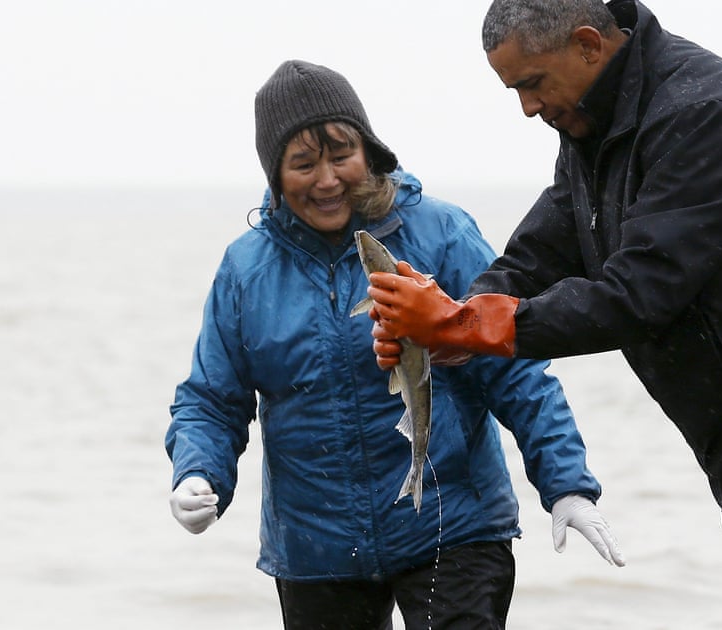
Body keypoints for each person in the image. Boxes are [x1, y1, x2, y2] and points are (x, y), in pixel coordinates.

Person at [366, 0, 722, 529]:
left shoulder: (706, 113)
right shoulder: (595, 118)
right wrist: (453, 315)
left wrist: (469, 326)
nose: (528, 108)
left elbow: (640, 293)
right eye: (515, 90)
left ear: (588, 44)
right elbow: (544, 249)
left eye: (533, 84)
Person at [165, 59, 623, 630]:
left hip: (451, 527)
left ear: (370, 151)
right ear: (276, 176)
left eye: (342, 155)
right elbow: (212, 398)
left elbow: (514, 370)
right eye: (303, 164)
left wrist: (566, 484)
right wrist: (198, 472)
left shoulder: (440, 233)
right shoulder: (246, 270)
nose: (328, 179)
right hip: (317, 548)